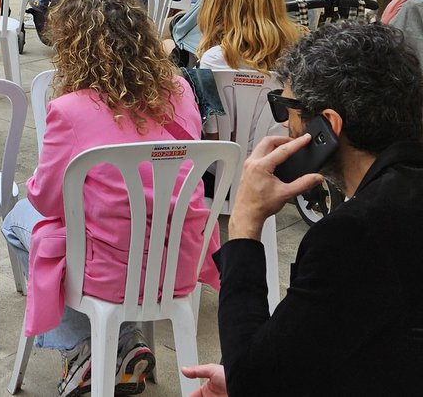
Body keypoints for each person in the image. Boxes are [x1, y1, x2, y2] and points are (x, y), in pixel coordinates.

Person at [181, 23, 423, 397]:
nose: (283, 122)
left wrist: (244, 224)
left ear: (329, 126)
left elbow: (255, 385)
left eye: (286, 107)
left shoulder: (355, 233)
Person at [1, 0, 217, 396]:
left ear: (73, 47)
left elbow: (47, 200)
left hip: (108, 272)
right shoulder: (180, 91)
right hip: (179, 259)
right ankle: (126, 342)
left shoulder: (70, 109)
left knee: (17, 222)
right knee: (113, 227)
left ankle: (82, 350)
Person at [196, 0, 304, 140]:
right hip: (285, 150)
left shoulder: (215, 59)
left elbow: (213, 135)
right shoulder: (301, 48)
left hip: (228, 157)